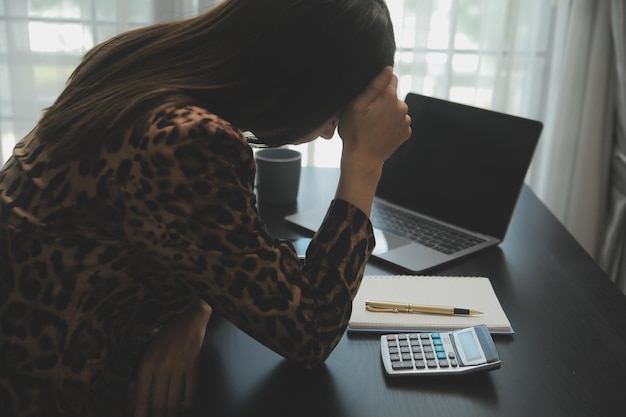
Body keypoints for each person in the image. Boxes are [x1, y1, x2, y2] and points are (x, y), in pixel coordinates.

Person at [0, 0, 411, 415]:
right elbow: (311, 329)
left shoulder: (131, 60)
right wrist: (364, 163)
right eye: (337, 116)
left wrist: (196, 304)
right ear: (304, 78)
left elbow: (196, 242)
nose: (328, 134)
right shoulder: (188, 140)